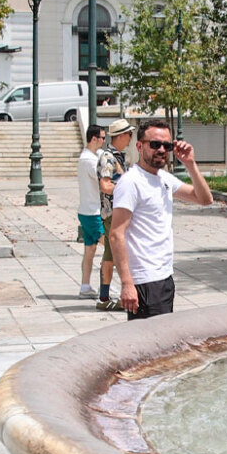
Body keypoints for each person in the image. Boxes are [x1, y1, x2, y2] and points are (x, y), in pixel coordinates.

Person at [109, 119, 214, 319]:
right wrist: (127, 283)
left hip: (164, 277)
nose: (161, 150)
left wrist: (190, 164)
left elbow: (205, 199)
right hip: (145, 281)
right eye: (155, 144)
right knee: (148, 344)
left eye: (167, 146)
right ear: (140, 146)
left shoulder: (163, 178)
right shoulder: (131, 182)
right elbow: (116, 235)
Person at [94, 118, 135, 311]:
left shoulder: (118, 157)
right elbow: (105, 185)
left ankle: (104, 297)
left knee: (111, 255)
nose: (131, 138)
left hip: (117, 211)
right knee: (116, 254)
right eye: (129, 134)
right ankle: (109, 297)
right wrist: (126, 188)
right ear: (121, 136)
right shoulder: (108, 158)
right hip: (112, 213)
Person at [76, 124, 106, 299]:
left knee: (90, 250)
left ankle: (85, 286)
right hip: (93, 212)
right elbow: (104, 180)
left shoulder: (88, 157)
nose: (104, 141)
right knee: (110, 249)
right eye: (102, 137)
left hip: (86, 211)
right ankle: (106, 287)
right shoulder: (89, 161)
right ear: (94, 138)